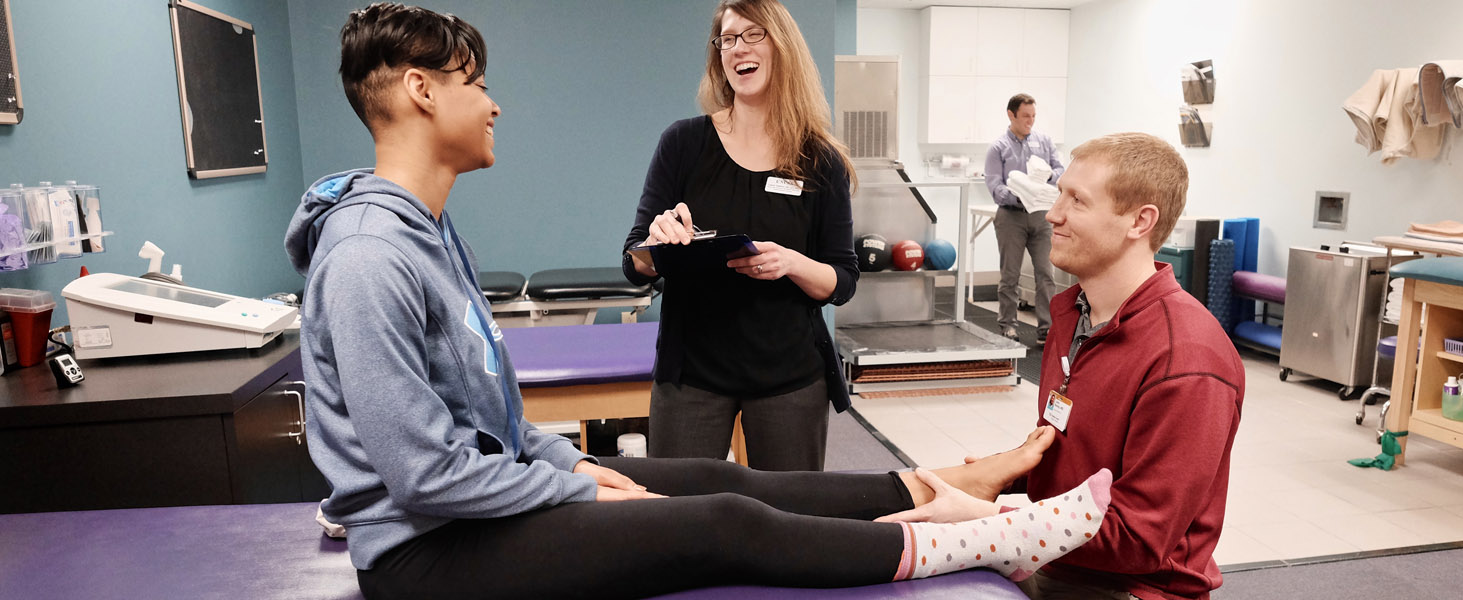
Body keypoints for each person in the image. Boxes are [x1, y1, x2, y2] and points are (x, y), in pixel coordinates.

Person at [285, 4, 1113, 599]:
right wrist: (581, 486)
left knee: (718, 479)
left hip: (476, 504)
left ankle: (947, 483)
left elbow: (487, 427)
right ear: (424, 92)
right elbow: (425, 474)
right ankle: (979, 538)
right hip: (424, 552)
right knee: (723, 519)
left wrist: (570, 463)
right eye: (478, 85)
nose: (495, 103)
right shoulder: (369, 255)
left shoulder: (424, 233)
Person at [621, 0, 857, 471]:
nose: (737, 49)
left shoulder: (820, 160)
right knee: (678, 520)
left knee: (788, 524)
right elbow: (634, 263)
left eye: (753, 35)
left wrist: (791, 262)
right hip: (692, 373)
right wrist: (656, 242)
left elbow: (843, 280)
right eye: (727, 39)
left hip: (790, 375)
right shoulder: (683, 143)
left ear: (782, 46)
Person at [1019, 133, 1246, 600]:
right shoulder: (1075, 314)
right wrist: (995, 472)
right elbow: (1075, 460)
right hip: (1060, 560)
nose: (1053, 214)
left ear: (1140, 222)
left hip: (1134, 588)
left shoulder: (1186, 358)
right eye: (1059, 194)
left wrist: (987, 527)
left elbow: (1138, 540)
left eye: (1076, 201)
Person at [985, 93, 1065, 345]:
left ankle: (1047, 329)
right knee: (1010, 275)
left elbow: (1061, 170)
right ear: (1011, 115)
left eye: (1033, 116)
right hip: (1012, 217)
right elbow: (994, 184)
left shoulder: (1044, 142)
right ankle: (1008, 325)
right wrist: (1021, 195)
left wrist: (1048, 175)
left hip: (1041, 217)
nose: (1030, 121)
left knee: (1045, 273)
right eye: (1025, 116)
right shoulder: (998, 148)